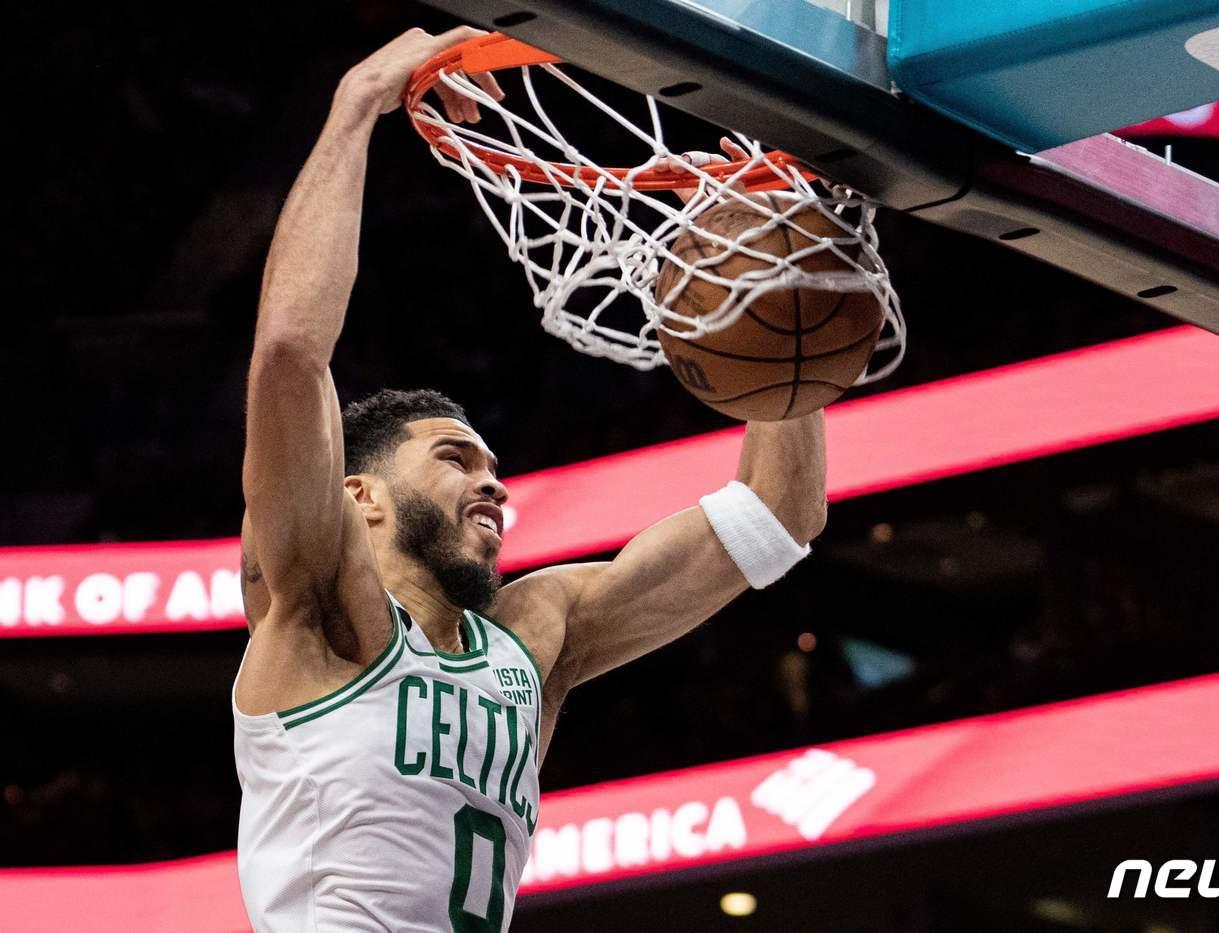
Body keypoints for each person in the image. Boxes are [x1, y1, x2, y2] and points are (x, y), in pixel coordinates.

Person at [232, 25, 827, 933]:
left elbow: (778, 517)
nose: (494, 485)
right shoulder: (318, 603)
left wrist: (778, 286)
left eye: (494, 466)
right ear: (361, 495)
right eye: (455, 458)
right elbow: (288, 353)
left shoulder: (535, 637)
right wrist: (359, 100)